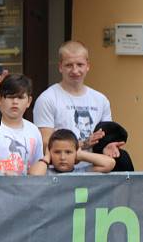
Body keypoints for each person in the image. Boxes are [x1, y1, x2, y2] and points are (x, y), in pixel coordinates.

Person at [32, 41, 117, 169]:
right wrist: (83, 144)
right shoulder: (47, 99)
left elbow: (106, 137)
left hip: (93, 171)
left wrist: (110, 145)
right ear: (60, 66)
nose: (75, 70)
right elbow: (46, 144)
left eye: (80, 65)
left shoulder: (101, 100)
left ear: (88, 66)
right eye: (69, 65)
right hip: (58, 174)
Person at [0, 74, 43, 175]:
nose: (15, 102)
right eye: (10, 97)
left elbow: (38, 163)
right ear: (0, 99)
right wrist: (2, 176)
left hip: (25, 189)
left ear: (29, 101)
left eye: (20, 97)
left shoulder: (34, 130)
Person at [29, 129, 115, 175]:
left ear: (76, 152)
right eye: (57, 152)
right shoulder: (45, 172)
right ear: (50, 152)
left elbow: (109, 163)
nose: (62, 157)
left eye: (68, 152)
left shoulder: (82, 173)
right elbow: (34, 176)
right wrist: (47, 157)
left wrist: (80, 155)